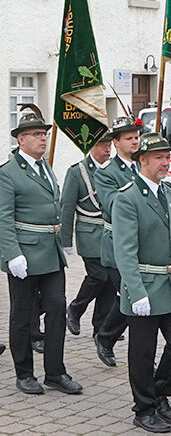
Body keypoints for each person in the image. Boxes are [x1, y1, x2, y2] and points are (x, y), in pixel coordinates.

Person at [112, 132, 171, 433]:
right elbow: (125, 251)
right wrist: (135, 291)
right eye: (159, 157)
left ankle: (159, 393)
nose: (165, 162)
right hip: (144, 285)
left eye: (167, 157)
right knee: (142, 353)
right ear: (142, 160)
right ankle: (143, 408)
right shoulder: (128, 197)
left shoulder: (167, 193)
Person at [0, 108, 81, 394]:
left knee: (57, 309)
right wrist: (12, 254)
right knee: (22, 316)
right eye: (36, 134)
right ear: (20, 139)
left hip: (50, 251)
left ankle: (55, 372)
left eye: (44, 133)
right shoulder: (8, 173)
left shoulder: (45, 167)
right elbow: (3, 217)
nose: (43, 138)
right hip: (25, 254)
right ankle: (24, 373)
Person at [93, 116, 143, 367]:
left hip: (143, 244)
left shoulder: (142, 166)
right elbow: (112, 205)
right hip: (117, 244)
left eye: (136, 137)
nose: (135, 141)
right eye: (129, 138)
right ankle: (109, 338)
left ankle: (105, 336)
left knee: (128, 295)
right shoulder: (107, 173)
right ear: (115, 142)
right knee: (131, 294)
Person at [62, 133, 114, 339]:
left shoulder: (112, 171)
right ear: (91, 146)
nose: (107, 149)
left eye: (109, 145)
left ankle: (100, 327)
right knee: (98, 276)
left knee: (110, 281)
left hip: (110, 235)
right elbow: (67, 207)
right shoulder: (77, 172)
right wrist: (65, 241)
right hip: (90, 234)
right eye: (103, 145)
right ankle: (75, 309)